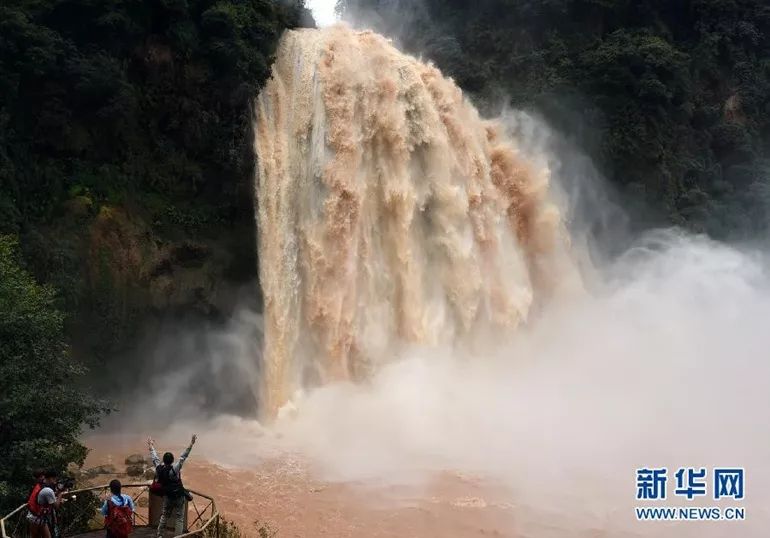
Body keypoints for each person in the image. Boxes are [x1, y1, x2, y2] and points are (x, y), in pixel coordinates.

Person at [147, 435, 196, 537]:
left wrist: (151, 445)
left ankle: (160, 535)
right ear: (173, 460)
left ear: (164, 460)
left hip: (167, 495)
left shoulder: (159, 468)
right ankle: (178, 536)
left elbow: (155, 458)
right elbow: (183, 457)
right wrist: (191, 444)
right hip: (179, 495)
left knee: (164, 515)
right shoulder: (175, 468)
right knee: (179, 518)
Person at [26, 470, 63, 538]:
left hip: (36, 515)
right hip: (36, 518)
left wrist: (56, 494)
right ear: (51, 478)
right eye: (55, 479)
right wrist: (60, 493)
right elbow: (56, 506)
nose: (56, 481)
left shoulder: (41, 485)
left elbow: (45, 497)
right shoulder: (48, 490)